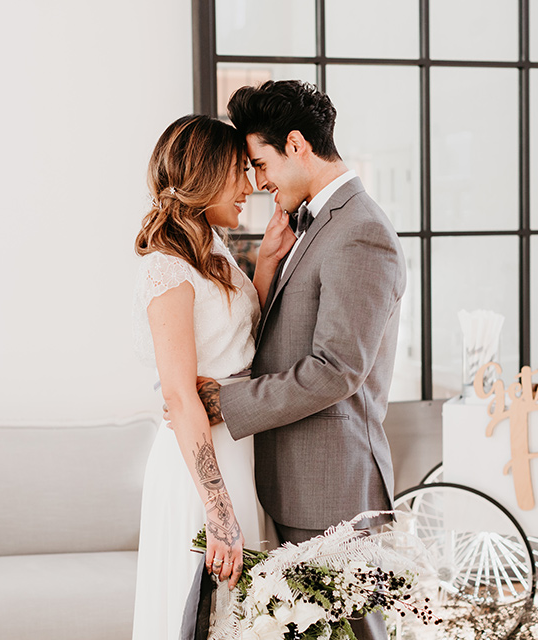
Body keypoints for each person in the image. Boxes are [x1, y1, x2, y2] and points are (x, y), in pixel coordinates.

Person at [190, 80, 407, 640]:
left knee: (358, 632)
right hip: (295, 478)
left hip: (330, 483)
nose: (257, 182)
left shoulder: (360, 231)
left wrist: (229, 400)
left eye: (260, 163)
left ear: (295, 145)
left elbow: (336, 369)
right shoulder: (309, 225)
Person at [130, 114, 295, 640]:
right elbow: (180, 397)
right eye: (238, 172)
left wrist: (265, 262)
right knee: (203, 616)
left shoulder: (213, 249)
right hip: (199, 472)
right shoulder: (167, 266)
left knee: (243, 618)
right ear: (203, 176)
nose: (250, 186)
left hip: (238, 449)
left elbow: (236, 343)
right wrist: (218, 510)